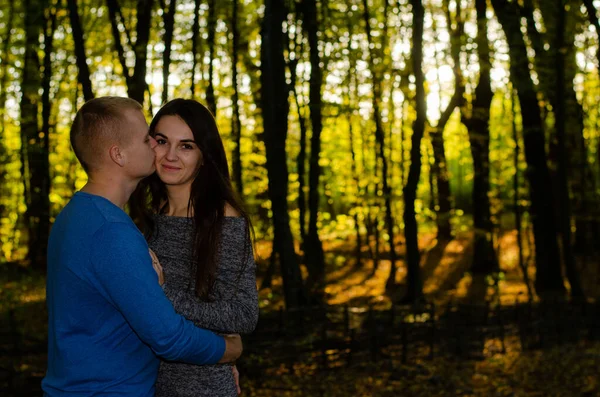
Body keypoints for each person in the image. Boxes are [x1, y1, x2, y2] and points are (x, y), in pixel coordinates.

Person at [42, 97, 243, 397]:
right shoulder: (112, 233)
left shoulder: (75, 215)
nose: (154, 143)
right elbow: (168, 338)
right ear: (118, 155)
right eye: (146, 137)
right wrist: (228, 350)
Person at [130, 99, 259, 396]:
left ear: (204, 155)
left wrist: (163, 294)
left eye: (186, 146)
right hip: (144, 383)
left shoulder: (223, 219)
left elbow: (243, 315)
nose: (170, 155)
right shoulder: (147, 214)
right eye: (162, 141)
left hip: (202, 387)